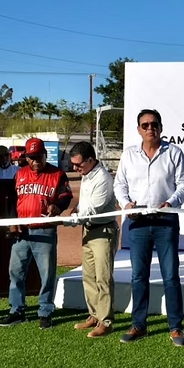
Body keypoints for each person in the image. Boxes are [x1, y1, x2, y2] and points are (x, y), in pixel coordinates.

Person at [114, 109, 184, 346]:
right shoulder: (129, 155)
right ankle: (139, 325)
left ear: (161, 127)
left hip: (165, 221)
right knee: (139, 276)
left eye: (154, 124)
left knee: (170, 276)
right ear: (138, 129)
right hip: (137, 223)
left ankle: (176, 327)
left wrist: (171, 202)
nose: (150, 128)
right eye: (145, 125)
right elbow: (120, 185)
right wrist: (127, 205)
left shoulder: (174, 153)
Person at [0, 137, 73, 330]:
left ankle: (45, 311)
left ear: (45, 155)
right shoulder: (20, 174)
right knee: (15, 272)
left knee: (46, 273)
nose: (35, 161)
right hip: (22, 231)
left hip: (44, 231)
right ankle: (16, 310)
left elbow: (66, 196)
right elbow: (13, 201)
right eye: (31, 157)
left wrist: (57, 206)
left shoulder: (57, 174)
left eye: (38, 156)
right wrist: (13, 222)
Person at [67, 141, 119, 338]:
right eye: (73, 164)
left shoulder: (104, 179)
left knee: (103, 277)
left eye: (78, 165)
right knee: (88, 276)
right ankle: (94, 315)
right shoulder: (87, 175)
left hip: (103, 232)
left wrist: (68, 220)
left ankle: (106, 321)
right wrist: (75, 211)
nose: (75, 168)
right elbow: (83, 204)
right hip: (88, 230)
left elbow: (92, 209)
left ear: (91, 160)